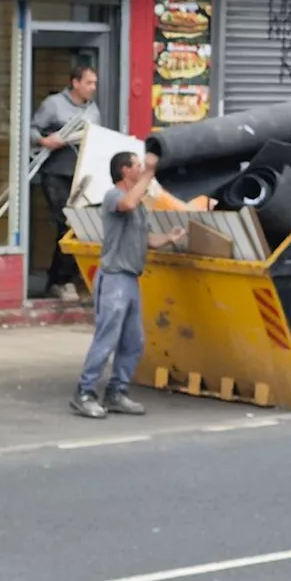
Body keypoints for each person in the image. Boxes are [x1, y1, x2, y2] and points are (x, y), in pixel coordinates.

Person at [70, 151, 186, 419]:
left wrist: (169, 237)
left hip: (130, 279)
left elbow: (148, 239)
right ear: (124, 171)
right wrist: (150, 173)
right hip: (114, 278)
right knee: (107, 338)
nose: (140, 168)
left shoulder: (139, 205)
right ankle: (84, 392)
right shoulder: (113, 197)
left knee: (133, 341)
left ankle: (116, 392)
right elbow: (128, 205)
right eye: (136, 165)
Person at [30, 65, 102, 301]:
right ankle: (61, 281)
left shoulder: (93, 111)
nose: (93, 88)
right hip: (56, 174)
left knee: (79, 227)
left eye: (94, 83)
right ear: (75, 83)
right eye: (89, 83)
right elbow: (30, 129)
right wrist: (43, 140)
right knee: (66, 225)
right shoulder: (53, 104)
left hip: (81, 177)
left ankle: (61, 279)